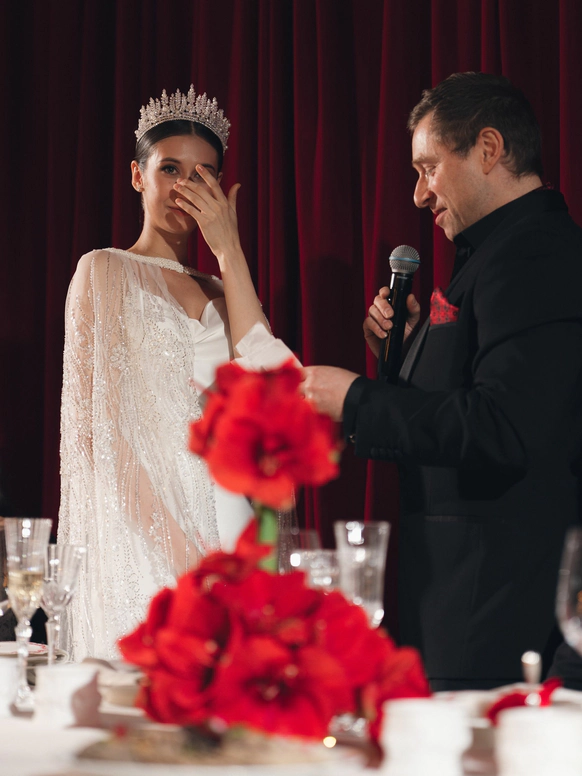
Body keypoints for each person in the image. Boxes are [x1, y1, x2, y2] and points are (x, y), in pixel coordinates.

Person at [303, 72, 582, 691]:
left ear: (488, 149)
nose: (418, 194)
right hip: (460, 598)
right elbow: (472, 401)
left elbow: (506, 427)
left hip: (498, 606)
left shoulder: (535, 251)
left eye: (428, 168)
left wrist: (356, 399)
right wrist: (406, 356)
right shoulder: (498, 252)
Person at [57, 85, 295, 662]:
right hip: (143, 532)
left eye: (202, 175)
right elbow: (96, 432)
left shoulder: (226, 292)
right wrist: (186, 556)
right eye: (170, 169)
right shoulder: (103, 271)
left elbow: (272, 389)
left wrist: (229, 251)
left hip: (231, 520)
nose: (186, 188)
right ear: (137, 176)